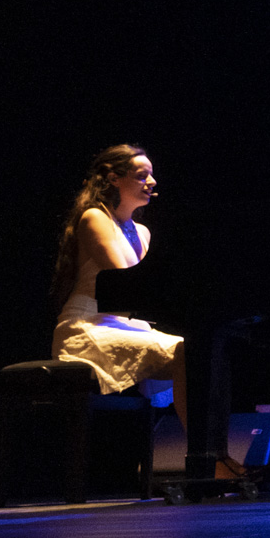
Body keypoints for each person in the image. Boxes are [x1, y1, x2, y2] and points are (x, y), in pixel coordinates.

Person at [49, 145, 187, 428]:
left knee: (199, 351)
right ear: (113, 178)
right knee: (188, 353)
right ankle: (201, 454)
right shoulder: (94, 217)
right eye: (141, 175)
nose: (152, 182)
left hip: (129, 325)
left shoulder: (143, 232)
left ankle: (208, 451)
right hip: (88, 326)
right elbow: (123, 283)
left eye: (152, 175)